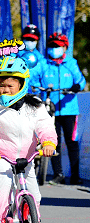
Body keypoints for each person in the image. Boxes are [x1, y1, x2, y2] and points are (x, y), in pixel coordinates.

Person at [0, 56, 56, 223]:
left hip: (26, 159)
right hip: (0, 157)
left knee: (34, 194)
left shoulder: (34, 104)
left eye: (10, 86)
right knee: (3, 180)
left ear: (21, 84)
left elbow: (45, 125)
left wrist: (48, 143)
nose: (5, 90)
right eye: (1, 85)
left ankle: (28, 218)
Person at [38, 33, 86, 185]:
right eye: (51, 45)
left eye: (57, 46)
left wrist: (77, 86)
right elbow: (31, 77)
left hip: (69, 109)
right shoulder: (43, 63)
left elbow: (81, 80)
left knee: (72, 142)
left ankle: (75, 176)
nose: (54, 49)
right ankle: (58, 174)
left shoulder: (71, 63)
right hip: (49, 110)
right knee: (54, 142)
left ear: (65, 47)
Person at [19, 24, 46, 94]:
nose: (30, 42)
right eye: (27, 39)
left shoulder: (42, 61)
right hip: (17, 95)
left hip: (35, 96)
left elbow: (45, 83)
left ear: (37, 41)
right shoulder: (15, 56)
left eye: (32, 40)